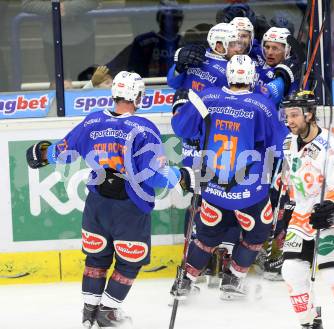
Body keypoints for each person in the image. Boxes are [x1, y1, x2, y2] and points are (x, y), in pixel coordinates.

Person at [26, 71, 192, 328]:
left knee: (96, 257)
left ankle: (89, 312)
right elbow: (157, 177)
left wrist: (43, 153)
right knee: (129, 260)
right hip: (129, 205)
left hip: (96, 204)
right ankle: (109, 311)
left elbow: (63, 152)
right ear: (138, 96)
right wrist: (182, 177)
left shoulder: (92, 121)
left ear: (114, 93)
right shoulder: (143, 128)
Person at [170, 54, 288, 300]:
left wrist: (183, 107)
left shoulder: (207, 97)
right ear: (252, 78)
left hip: (211, 187)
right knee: (257, 232)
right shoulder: (261, 105)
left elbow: (182, 129)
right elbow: (277, 145)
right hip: (248, 190)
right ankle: (233, 279)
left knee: (206, 235)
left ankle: (185, 281)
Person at [279, 90, 334, 329]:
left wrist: (332, 209)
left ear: (309, 115)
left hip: (332, 215)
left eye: (295, 115)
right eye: (287, 115)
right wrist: (288, 205)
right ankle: (310, 322)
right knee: (292, 271)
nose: (289, 121)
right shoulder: (288, 142)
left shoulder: (332, 147)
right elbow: (295, 176)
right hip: (302, 214)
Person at [21, 0, 99, 87]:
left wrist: (66, 8)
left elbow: (93, 1)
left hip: (83, 37)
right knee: (57, 86)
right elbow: (27, 4)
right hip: (52, 38)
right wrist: (55, 8)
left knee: (84, 86)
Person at [106, 0, 184, 78]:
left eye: (175, 19)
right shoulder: (144, 42)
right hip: (148, 87)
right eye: (168, 19)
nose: (172, 23)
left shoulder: (184, 43)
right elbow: (131, 71)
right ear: (160, 19)